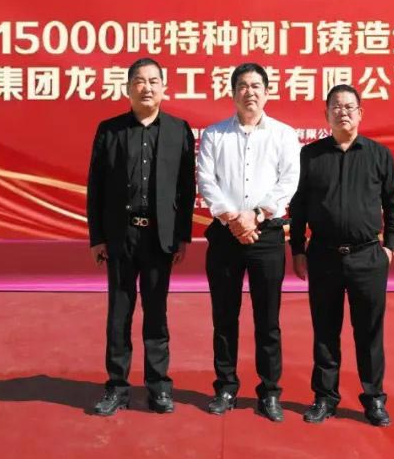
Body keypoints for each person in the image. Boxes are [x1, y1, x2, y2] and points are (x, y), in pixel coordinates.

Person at [289, 84, 394, 427]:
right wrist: (297, 249)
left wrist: (389, 246)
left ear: (360, 113)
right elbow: (299, 206)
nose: (343, 112)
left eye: (349, 106)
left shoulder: (379, 155)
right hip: (322, 255)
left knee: (369, 332)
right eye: (336, 107)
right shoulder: (310, 156)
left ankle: (374, 398)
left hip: (368, 257)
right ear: (326, 114)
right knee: (325, 331)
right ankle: (325, 397)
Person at [86, 57, 196, 416]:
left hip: (159, 238)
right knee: (119, 313)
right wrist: (97, 237)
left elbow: (186, 189)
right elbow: (96, 187)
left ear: (164, 88)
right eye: (139, 81)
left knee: (156, 313)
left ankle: (159, 386)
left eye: (153, 81)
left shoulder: (179, 130)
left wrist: (182, 237)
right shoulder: (110, 131)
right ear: (128, 88)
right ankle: (117, 387)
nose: (146, 88)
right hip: (121, 235)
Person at [197, 62, 300, 422]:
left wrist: (255, 215)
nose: (249, 92)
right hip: (225, 235)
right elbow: (206, 181)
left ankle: (269, 391)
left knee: (267, 319)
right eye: (243, 86)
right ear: (233, 93)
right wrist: (232, 218)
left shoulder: (284, 135)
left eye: (256, 86)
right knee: (224, 316)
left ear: (267, 92)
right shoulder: (214, 135)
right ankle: (225, 387)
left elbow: (288, 181)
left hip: (266, 235)